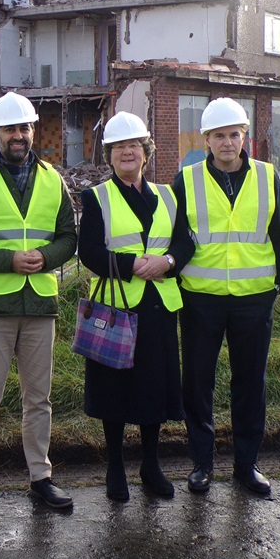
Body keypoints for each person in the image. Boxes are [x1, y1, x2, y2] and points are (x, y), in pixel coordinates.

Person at [0, 91, 78, 516]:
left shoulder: (52, 179)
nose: (18, 136)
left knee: (38, 399)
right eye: (10, 129)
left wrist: (48, 257)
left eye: (24, 128)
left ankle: (40, 477)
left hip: (40, 306)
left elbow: (68, 237)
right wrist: (9, 260)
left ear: (32, 130)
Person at [174, 97, 280, 496]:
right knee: (198, 384)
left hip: (254, 299)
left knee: (250, 384)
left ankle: (246, 464)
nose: (227, 143)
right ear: (206, 139)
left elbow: (279, 232)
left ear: (246, 138)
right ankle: (201, 464)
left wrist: (279, 279)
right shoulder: (186, 180)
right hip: (200, 298)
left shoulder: (267, 175)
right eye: (219, 135)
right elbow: (177, 238)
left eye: (234, 134)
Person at [77, 112, 189, 502]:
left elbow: (185, 243)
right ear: (109, 156)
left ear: (146, 152)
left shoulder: (169, 195)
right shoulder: (96, 197)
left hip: (157, 308)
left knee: (153, 391)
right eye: (119, 147)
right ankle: (115, 467)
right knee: (114, 392)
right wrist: (130, 265)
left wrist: (169, 262)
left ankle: (151, 465)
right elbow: (88, 251)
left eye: (134, 146)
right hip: (116, 309)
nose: (127, 152)